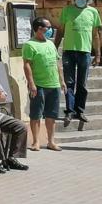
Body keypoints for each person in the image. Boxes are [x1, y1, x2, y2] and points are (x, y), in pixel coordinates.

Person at [54, 0, 102, 125]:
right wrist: (54, 48)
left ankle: (80, 110)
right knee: (69, 83)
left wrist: (98, 55)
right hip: (69, 51)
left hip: (85, 52)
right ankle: (69, 111)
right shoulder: (67, 10)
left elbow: (96, 35)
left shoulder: (93, 12)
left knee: (82, 83)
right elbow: (60, 31)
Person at [22, 17, 65, 151]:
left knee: (51, 115)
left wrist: (62, 80)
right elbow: (27, 65)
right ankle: (35, 142)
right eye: (48, 27)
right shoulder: (30, 45)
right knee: (36, 114)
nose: (51, 30)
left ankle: (51, 141)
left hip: (54, 85)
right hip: (39, 85)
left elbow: (57, 63)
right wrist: (31, 84)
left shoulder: (51, 44)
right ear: (39, 29)